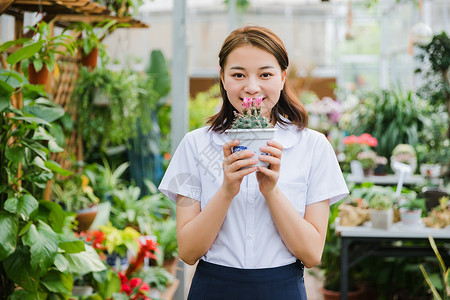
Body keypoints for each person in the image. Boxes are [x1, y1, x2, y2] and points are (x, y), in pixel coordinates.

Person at [158, 25, 349, 299]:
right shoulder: (195, 145)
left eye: (265, 74)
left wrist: (271, 191)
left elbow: (311, 253)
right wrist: (226, 190)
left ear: (283, 77)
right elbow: (188, 251)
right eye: (238, 74)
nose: (251, 87)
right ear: (222, 77)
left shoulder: (314, 147)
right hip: (213, 288)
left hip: (282, 288)